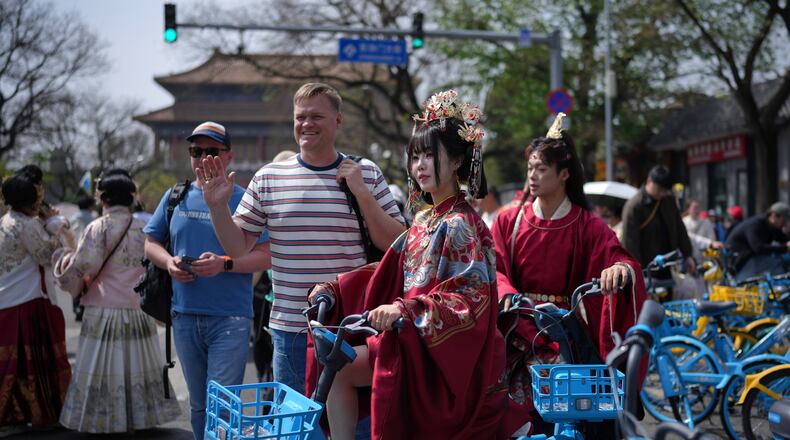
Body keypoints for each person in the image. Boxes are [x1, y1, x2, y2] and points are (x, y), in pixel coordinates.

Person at [305, 89, 505, 439]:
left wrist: (408, 311)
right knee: (335, 363)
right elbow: (388, 269)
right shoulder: (426, 220)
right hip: (412, 337)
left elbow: (469, 299)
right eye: (415, 157)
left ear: (458, 160)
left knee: (338, 366)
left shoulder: (461, 223)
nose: (419, 166)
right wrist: (335, 287)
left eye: (430, 155)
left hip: (438, 352)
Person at [197, 83, 406, 396]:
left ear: (338, 121)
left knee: (355, 430)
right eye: (301, 117)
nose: (307, 124)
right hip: (290, 331)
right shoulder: (269, 177)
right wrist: (217, 208)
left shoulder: (366, 173)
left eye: (317, 116)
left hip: (349, 328)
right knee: (295, 427)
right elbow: (237, 247)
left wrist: (362, 193)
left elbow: (396, 242)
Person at [491, 113, 646, 436]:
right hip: (518, 327)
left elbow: (617, 255)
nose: (532, 175)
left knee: (576, 413)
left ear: (563, 174)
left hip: (563, 329)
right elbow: (495, 268)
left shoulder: (586, 225)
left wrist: (619, 269)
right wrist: (506, 293)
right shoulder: (509, 220)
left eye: (541, 168)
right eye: (530, 168)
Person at [143, 121, 271, 440]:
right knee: (200, 406)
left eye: (211, 151)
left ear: (228, 157)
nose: (203, 158)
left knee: (223, 406)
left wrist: (225, 264)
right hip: (184, 316)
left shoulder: (245, 198)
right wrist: (169, 262)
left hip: (230, 318)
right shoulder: (176, 195)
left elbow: (268, 255)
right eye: (196, 151)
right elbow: (150, 242)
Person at [53, 169, 182, 433]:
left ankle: (105, 419)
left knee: (103, 368)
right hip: (137, 307)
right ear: (131, 198)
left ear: (104, 199)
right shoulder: (143, 228)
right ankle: (140, 417)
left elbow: (83, 267)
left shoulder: (97, 227)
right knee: (138, 365)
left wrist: (63, 262)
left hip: (104, 308)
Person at [0, 172, 72, 434]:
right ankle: (43, 410)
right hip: (28, 299)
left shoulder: (5, 221)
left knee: (11, 365)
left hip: (7, 298)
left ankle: (12, 411)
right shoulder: (27, 225)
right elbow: (46, 256)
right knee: (37, 363)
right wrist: (55, 225)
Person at [621, 165, 696, 296]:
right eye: (660, 189)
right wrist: (637, 273)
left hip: (667, 265)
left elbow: (679, 228)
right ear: (649, 181)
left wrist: (688, 254)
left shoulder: (669, 201)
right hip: (645, 270)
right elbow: (629, 243)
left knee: (668, 309)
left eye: (665, 190)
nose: (662, 193)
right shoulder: (634, 206)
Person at [726, 202, 790, 282]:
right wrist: (785, 247)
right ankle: (783, 289)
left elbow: (782, 239)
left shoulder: (771, 225)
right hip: (740, 263)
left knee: (778, 262)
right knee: (777, 264)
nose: (784, 224)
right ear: (774, 216)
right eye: (784, 221)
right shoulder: (756, 224)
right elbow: (758, 248)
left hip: (748, 261)